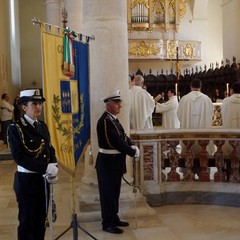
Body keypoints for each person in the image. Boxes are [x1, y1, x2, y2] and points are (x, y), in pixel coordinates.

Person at [7, 89, 58, 240]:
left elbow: (50, 148)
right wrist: (45, 167)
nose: (38, 107)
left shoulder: (42, 126)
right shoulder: (15, 128)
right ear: (24, 107)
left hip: (43, 181)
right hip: (27, 182)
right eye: (34, 103)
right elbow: (20, 158)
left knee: (41, 222)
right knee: (27, 223)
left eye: (40, 103)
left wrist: (53, 165)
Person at [95, 90, 139, 234]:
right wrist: (131, 152)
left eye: (119, 102)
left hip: (115, 163)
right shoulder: (105, 122)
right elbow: (114, 141)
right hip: (107, 163)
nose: (120, 105)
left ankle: (114, 217)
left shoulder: (113, 120)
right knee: (107, 194)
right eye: (117, 103)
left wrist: (131, 144)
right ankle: (107, 223)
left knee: (115, 193)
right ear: (108, 105)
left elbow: (123, 136)